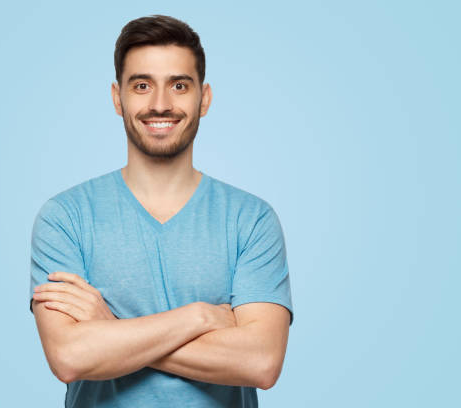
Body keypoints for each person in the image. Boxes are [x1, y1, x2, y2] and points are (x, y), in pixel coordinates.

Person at [29, 14, 294, 407]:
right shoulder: (66, 217)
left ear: (203, 98)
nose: (160, 105)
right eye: (141, 85)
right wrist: (200, 318)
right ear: (118, 98)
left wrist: (114, 332)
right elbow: (69, 357)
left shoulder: (251, 220)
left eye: (179, 85)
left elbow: (261, 362)